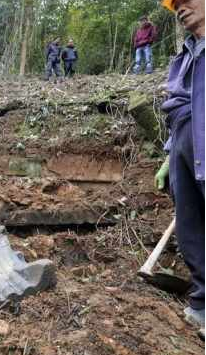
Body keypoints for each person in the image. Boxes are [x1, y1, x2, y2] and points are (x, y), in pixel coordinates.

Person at [156, 0, 205, 337]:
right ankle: (202, 304)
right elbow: (179, 106)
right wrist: (169, 155)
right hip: (184, 149)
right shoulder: (185, 55)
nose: (179, 7)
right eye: (175, 4)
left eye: (187, 0)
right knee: (190, 228)